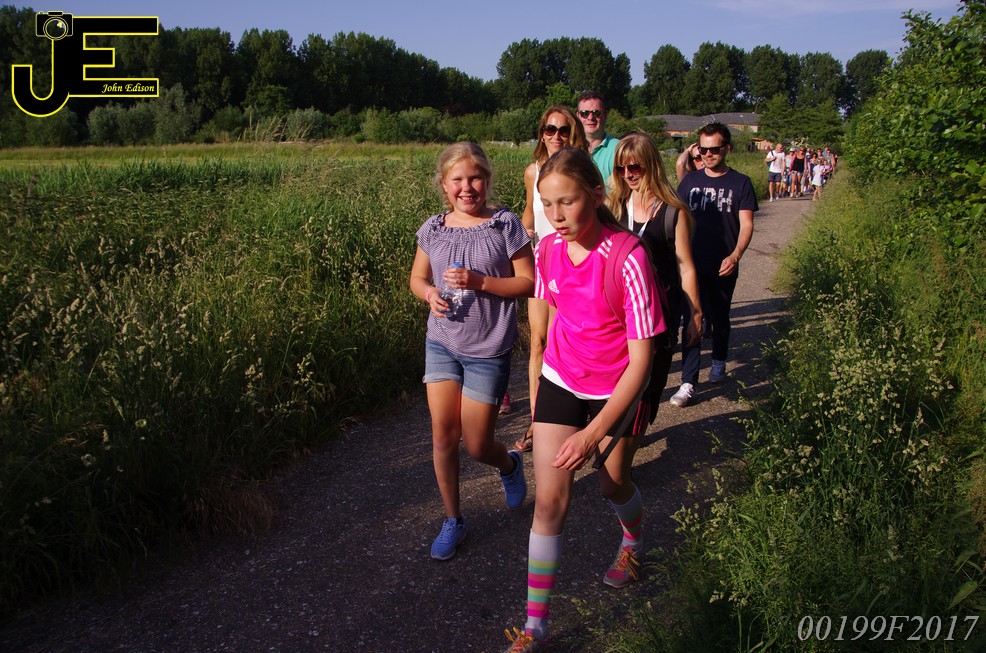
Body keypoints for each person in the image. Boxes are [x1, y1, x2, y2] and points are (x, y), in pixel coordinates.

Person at [502, 147, 665, 652]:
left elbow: (642, 362)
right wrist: (539, 405)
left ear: (596, 195)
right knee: (549, 501)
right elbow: (551, 324)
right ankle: (535, 627)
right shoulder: (549, 250)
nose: (556, 216)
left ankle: (633, 541)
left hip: (617, 387)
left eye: (567, 203)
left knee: (612, 484)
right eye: (547, 205)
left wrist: (593, 434)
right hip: (562, 378)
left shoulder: (629, 257)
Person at [409, 142, 535, 560]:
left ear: (487, 180)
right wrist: (429, 293)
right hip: (442, 342)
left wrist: (480, 282)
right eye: (457, 180)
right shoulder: (433, 228)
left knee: (478, 445)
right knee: (443, 435)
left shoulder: (505, 225)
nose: (467, 187)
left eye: (475, 178)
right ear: (444, 185)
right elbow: (416, 278)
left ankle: (509, 464)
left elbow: (528, 282)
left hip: (488, 348)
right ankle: (453, 519)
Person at [606, 132, 703, 434]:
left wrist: (695, 314)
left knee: (651, 384)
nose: (628, 174)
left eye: (634, 167)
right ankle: (618, 438)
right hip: (618, 313)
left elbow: (686, 267)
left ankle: (632, 435)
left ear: (651, 165)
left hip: (658, 314)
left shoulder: (673, 213)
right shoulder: (614, 206)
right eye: (621, 168)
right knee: (616, 381)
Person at [514, 106, 589, 454]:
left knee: (566, 342)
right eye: (549, 129)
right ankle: (537, 420)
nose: (556, 136)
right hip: (541, 262)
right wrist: (517, 242)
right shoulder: (533, 171)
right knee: (538, 342)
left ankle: (576, 415)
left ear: (573, 134)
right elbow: (530, 214)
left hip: (573, 265)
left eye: (563, 130)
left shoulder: (581, 170)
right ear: (541, 132)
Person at [670, 122, 758, 408]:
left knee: (720, 316)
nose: (708, 154)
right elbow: (676, 219)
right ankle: (688, 382)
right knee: (692, 318)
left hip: (723, 263)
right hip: (691, 264)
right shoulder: (690, 182)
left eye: (714, 149)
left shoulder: (740, 183)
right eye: (703, 149)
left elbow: (746, 224)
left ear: (727, 149)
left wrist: (736, 255)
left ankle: (719, 361)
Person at [577, 91, 619, 190]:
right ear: (577, 116)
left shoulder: (619, 149)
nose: (590, 118)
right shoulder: (569, 148)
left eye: (597, 113)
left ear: (605, 115)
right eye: (584, 113)